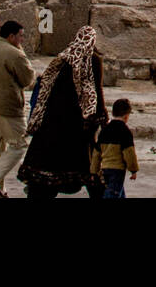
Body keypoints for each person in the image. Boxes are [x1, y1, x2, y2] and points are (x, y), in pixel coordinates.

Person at [18, 26, 108, 198]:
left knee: (48, 167)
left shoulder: (63, 57)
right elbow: (95, 91)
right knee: (89, 168)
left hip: (52, 121)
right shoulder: (93, 60)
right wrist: (103, 118)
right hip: (78, 123)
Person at [0, 20, 35, 198]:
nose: (22, 40)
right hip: (8, 107)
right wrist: (20, 53)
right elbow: (27, 79)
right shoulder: (15, 54)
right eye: (20, 36)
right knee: (18, 145)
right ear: (11, 36)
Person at [97, 98, 140, 198]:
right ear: (126, 116)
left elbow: (97, 152)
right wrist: (133, 170)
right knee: (112, 193)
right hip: (117, 170)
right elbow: (129, 153)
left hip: (105, 169)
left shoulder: (105, 130)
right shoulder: (125, 131)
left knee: (117, 192)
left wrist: (94, 170)